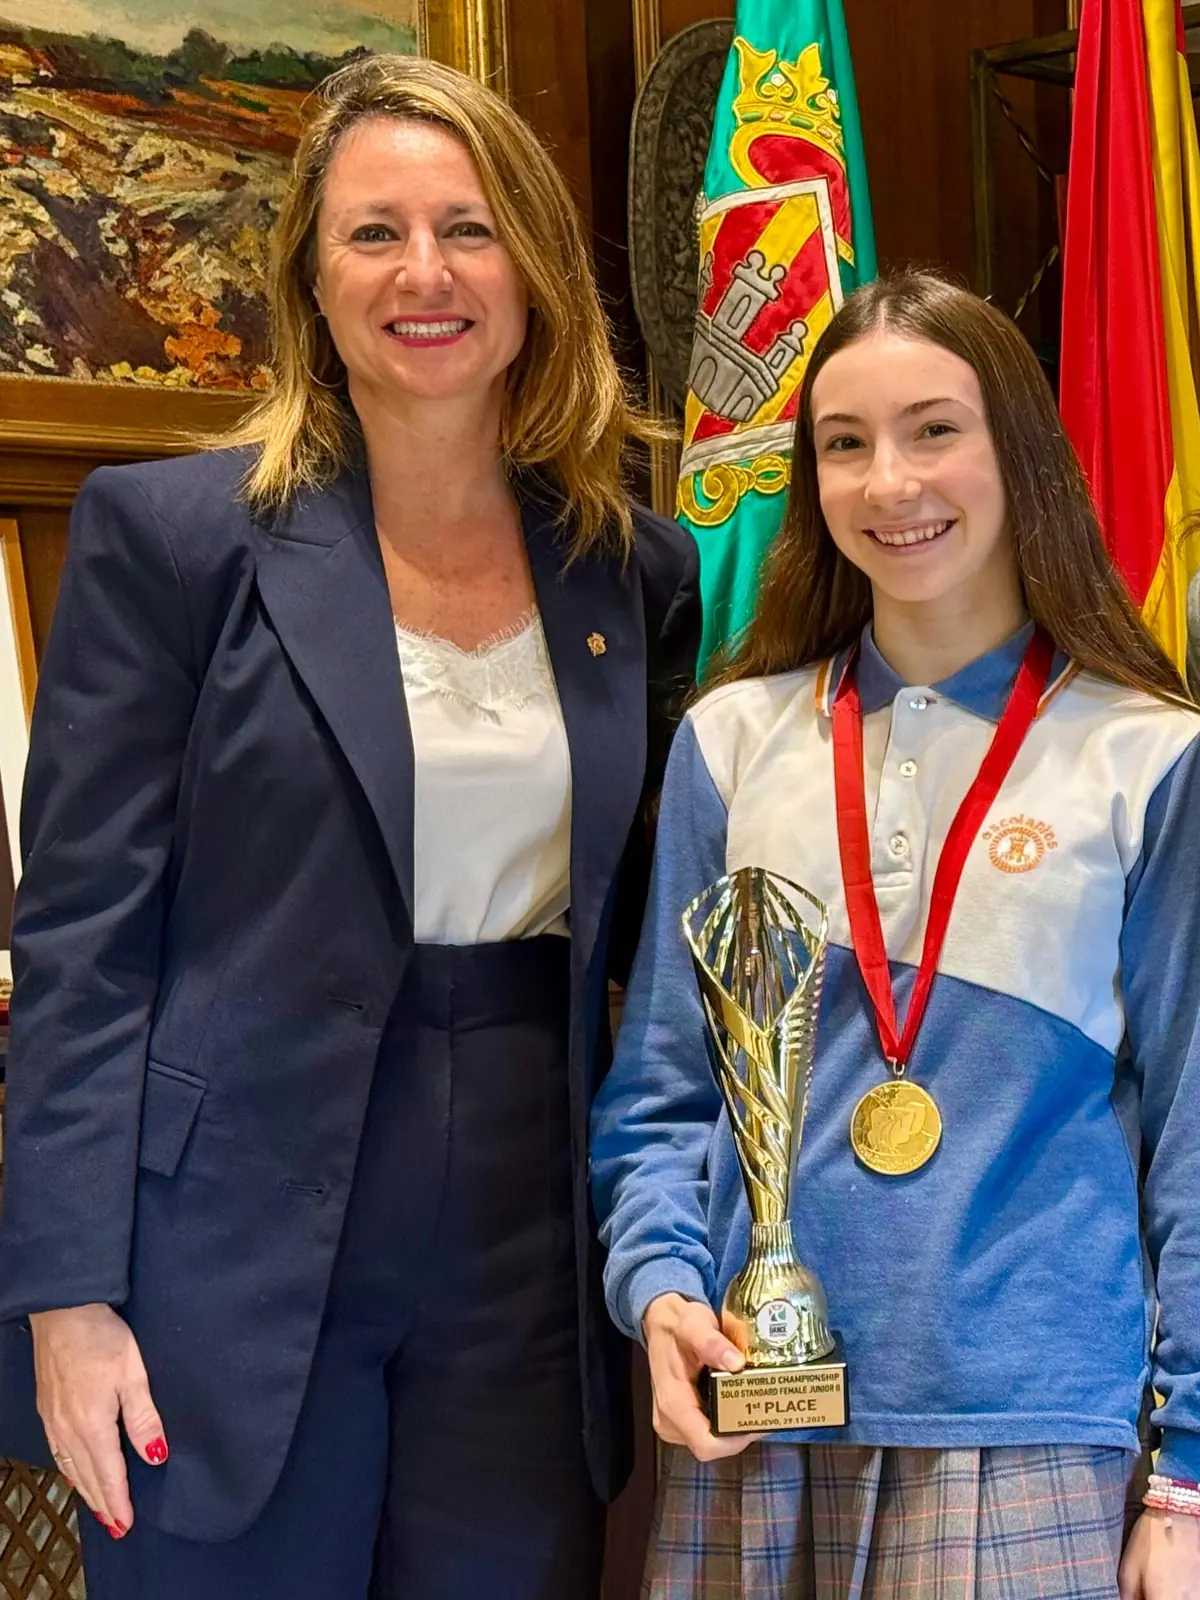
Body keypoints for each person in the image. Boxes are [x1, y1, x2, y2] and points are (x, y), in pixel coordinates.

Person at [0, 53, 700, 1600]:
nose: (424, 273)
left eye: (467, 227)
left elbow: (658, 935)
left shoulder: (634, 575)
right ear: (310, 279)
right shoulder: (173, 539)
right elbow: (78, 951)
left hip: (524, 1247)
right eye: (373, 233)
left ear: (531, 266)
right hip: (222, 1257)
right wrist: (66, 1299)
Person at [591, 270, 1200, 1599]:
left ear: (1019, 453)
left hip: (1031, 1424)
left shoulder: (1147, 757)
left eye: (935, 430)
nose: (890, 482)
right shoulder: (733, 739)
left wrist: (1189, 1475)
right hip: (757, 1402)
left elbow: (1197, 1141)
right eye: (845, 444)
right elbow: (662, 1094)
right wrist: (659, 1291)